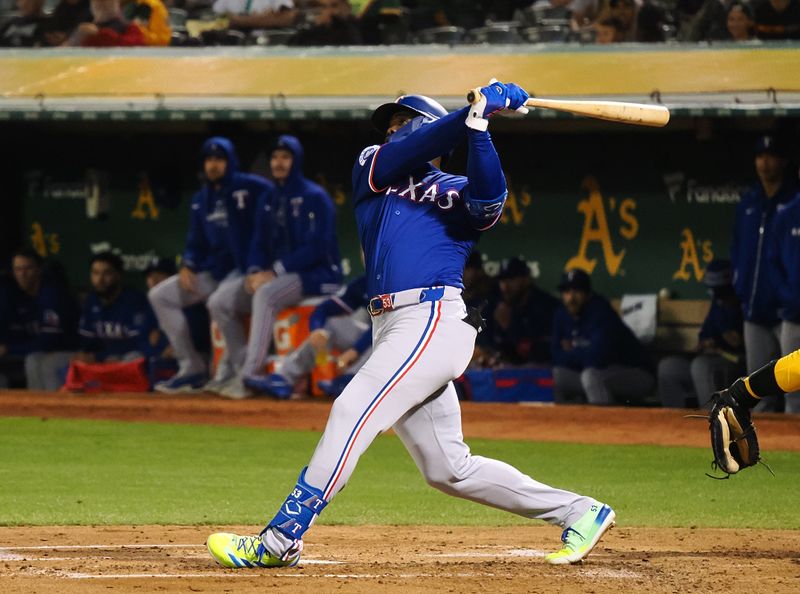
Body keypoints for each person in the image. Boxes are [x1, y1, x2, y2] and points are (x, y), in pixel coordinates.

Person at [206, 82, 616, 569]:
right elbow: (422, 143)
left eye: (402, 121)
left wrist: (480, 126)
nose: (392, 131)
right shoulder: (372, 168)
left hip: (432, 317)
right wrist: (470, 113)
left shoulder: (455, 188)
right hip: (391, 325)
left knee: (350, 409)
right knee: (448, 469)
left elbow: (489, 199)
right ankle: (580, 510)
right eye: (390, 125)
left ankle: (280, 539)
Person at [218, 134, 342, 399]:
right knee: (220, 300)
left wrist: (273, 272)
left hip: (318, 275)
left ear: (296, 161)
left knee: (266, 294)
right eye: (275, 157)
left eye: (285, 157)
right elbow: (258, 242)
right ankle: (241, 367)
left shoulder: (315, 196)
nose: (279, 162)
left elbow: (316, 247)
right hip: (279, 275)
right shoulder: (269, 198)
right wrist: (253, 272)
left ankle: (250, 375)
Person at [148, 137, 270, 393]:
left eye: (219, 159)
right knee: (160, 296)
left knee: (218, 301)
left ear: (230, 162)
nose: (213, 165)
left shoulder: (250, 187)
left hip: (242, 269)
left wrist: (259, 264)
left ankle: (240, 373)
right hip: (214, 272)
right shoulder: (200, 199)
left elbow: (276, 199)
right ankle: (191, 367)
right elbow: (195, 240)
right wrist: (188, 264)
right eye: (209, 160)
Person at [730, 134, 797, 412]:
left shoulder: (793, 202)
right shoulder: (749, 202)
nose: (764, 163)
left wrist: (789, 298)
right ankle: (758, 452)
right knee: (756, 394)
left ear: (783, 161)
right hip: (755, 311)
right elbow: (737, 249)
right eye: (760, 156)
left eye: (770, 156)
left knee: (795, 394)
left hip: (789, 315)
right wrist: (740, 286)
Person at [249, 274, 371, 399]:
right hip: (367, 338)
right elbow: (324, 309)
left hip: (384, 346)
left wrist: (356, 350)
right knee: (329, 324)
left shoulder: (390, 281)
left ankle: (351, 381)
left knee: (385, 337)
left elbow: (385, 327)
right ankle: (284, 377)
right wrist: (317, 331)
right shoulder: (364, 282)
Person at [551, 268, 655, 405]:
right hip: (597, 373)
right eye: (566, 292)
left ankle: (604, 425)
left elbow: (598, 357)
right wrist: (582, 353)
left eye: (576, 291)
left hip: (637, 373)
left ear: (588, 293)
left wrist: (571, 352)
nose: (571, 297)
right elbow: (555, 355)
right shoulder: (562, 313)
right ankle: (562, 424)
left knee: (591, 376)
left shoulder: (602, 313)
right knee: (553, 376)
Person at [658, 259, 745, 408]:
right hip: (712, 359)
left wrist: (717, 343)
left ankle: (712, 420)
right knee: (669, 367)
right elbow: (704, 337)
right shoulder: (717, 304)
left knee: (701, 366)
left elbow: (736, 342)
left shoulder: (743, 302)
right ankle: (674, 422)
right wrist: (705, 344)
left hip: (737, 362)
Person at [0, 248, 79, 390]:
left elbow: (48, 342)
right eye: (18, 269)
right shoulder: (18, 295)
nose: (23, 274)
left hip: (71, 349)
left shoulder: (51, 295)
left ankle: (55, 409)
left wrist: (9, 348)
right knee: (33, 360)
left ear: (39, 270)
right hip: (44, 351)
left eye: (28, 268)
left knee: (41, 363)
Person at [474, 256, 558, 367]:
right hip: (503, 369)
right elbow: (484, 342)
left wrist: (509, 326)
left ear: (526, 280)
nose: (505, 286)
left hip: (538, 370)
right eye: (502, 280)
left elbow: (542, 353)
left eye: (512, 279)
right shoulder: (495, 303)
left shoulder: (545, 306)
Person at [768, 191, 800, 413]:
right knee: (792, 392)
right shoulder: (787, 214)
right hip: (794, 316)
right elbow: (772, 263)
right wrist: (788, 297)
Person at [67, 0, 146, 45]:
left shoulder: (130, 27)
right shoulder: (84, 29)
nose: (101, 4)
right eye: (97, 1)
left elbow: (135, 44)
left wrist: (100, 34)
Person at [212, 0, 297, 30]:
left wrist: (241, 21)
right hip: (234, 48)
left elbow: (288, 18)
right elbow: (213, 19)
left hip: (268, 46)